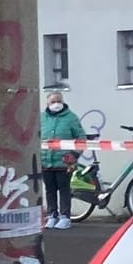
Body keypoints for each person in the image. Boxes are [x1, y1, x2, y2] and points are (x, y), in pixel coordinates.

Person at [40, 92, 85, 229]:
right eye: (53, 102)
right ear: (47, 104)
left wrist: (74, 154)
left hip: (64, 162)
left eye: (58, 101)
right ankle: (52, 215)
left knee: (64, 189)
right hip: (46, 160)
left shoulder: (71, 118)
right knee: (50, 189)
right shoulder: (41, 118)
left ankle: (65, 216)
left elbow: (81, 138)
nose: (56, 104)